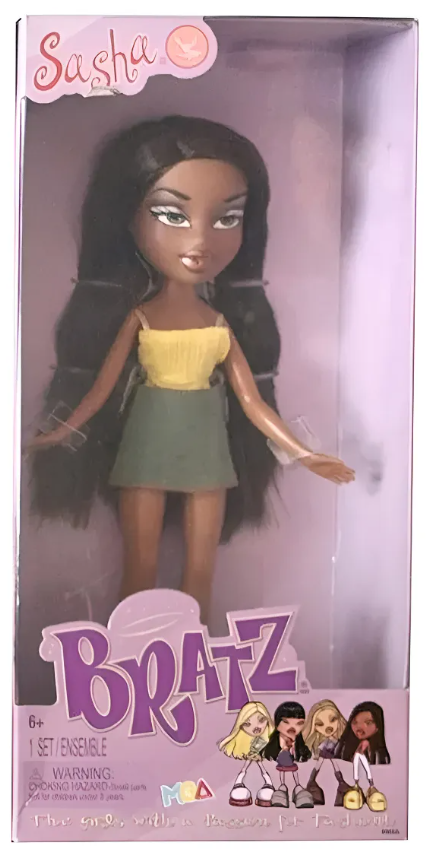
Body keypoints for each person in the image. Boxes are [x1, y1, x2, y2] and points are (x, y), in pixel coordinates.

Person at [27, 116, 355, 622]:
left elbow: (251, 403)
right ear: (128, 218)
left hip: (207, 448)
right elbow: (101, 389)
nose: (200, 239)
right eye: (171, 214)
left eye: (227, 218)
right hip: (147, 443)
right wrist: (57, 433)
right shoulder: (141, 317)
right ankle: (130, 656)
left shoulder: (219, 324)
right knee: (139, 570)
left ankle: (193, 659)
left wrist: (305, 453)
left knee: (201, 575)